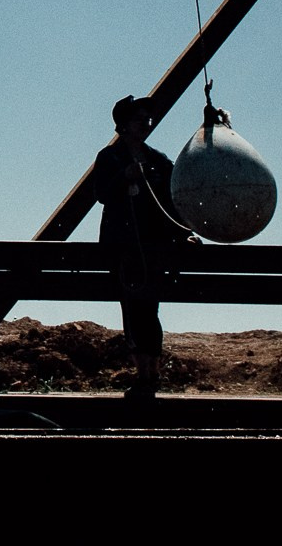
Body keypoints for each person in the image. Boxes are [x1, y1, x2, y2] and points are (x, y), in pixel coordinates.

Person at [92, 95, 190, 394]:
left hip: (154, 244)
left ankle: (150, 374)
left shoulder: (159, 159)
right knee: (135, 308)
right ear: (122, 125)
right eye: (139, 120)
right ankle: (144, 373)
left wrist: (183, 232)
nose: (146, 124)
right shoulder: (109, 158)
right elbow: (102, 194)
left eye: (147, 120)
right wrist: (124, 177)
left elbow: (172, 202)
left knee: (148, 308)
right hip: (124, 245)